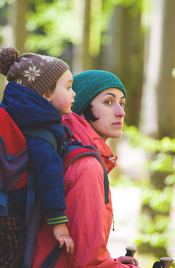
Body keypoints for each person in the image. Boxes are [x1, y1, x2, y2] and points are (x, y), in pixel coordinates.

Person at [32, 70, 140, 267]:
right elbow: (89, 263)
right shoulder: (86, 166)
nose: (121, 112)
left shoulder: (69, 149)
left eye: (121, 103)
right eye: (108, 102)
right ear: (81, 107)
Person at [0, 47, 75, 267]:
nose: (74, 93)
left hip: (0, 202)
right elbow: (50, 176)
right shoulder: (40, 134)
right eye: (68, 87)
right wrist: (58, 221)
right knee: (10, 255)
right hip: (7, 209)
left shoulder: (27, 117)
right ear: (45, 94)